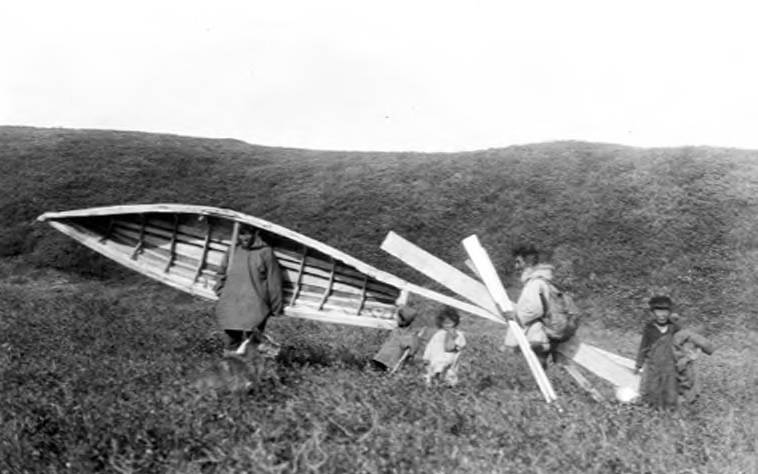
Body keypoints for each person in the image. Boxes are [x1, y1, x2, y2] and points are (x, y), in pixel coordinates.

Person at [214, 226, 284, 357]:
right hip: (232, 305)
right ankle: (232, 372)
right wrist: (222, 293)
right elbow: (221, 274)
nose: (244, 238)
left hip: (255, 307)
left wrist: (276, 307)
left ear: (256, 234)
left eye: (248, 234)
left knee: (251, 344)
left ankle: (244, 372)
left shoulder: (265, 252)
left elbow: (274, 282)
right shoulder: (233, 250)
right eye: (241, 234)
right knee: (232, 344)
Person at [502, 244, 555, 368]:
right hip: (538, 338)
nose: (516, 267)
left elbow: (535, 309)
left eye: (518, 262)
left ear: (529, 261)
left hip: (536, 339)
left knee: (540, 375)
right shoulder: (540, 281)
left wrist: (515, 316)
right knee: (539, 376)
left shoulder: (535, 283)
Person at [634, 295, 681, 409]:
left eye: (665, 311)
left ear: (669, 312)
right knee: (652, 390)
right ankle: (651, 410)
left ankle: (669, 413)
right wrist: (639, 364)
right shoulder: (649, 328)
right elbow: (643, 346)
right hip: (653, 365)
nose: (662, 315)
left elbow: (681, 346)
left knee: (670, 392)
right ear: (653, 313)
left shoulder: (674, 328)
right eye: (658, 311)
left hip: (670, 365)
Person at [422, 307, 466, 387]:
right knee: (433, 371)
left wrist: (455, 343)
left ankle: (448, 385)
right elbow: (430, 346)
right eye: (445, 323)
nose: (447, 325)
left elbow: (460, 345)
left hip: (449, 358)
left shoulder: (458, 334)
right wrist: (426, 357)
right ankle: (433, 384)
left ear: (455, 322)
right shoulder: (439, 334)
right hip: (436, 357)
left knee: (448, 373)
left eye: (450, 323)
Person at [370, 307, 420, 373]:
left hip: (387, 364)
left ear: (403, 320)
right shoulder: (397, 330)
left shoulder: (410, 337)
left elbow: (412, 351)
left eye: (398, 318)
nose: (396, 319)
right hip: (379, 360)